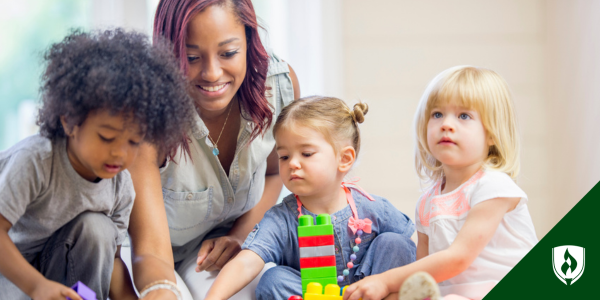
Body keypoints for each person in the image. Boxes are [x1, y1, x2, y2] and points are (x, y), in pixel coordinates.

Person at [123, 0, 301, 299]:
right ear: (167, 54)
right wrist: (162, 292)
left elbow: (274, 174)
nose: (212, 73)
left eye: (228, 53)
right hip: (144, 256)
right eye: (191, 57)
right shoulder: (143, 114)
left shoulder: (277, 87)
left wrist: (240, 236)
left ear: (248, 40)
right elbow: (151, 253)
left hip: (216, 249)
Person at [0, 29, 195, 300]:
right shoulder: (36, 160)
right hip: (11, 272)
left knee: (97, 228)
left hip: (58, 281)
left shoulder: (121, 185)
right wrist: (35, 286)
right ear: (69, 121)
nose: (119, 153)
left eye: (134, 142)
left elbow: (112, 262)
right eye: (106, 137)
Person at [342, 66, 538, 300]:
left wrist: (384, 280)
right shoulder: (427, 203)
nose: (446, 124)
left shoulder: (493, 187)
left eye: (464, 116)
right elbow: (422, 278)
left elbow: (457, 258)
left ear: (492, 133)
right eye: (437, 114)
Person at [203, 96, 417, 300]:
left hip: (372, 294)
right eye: (284, 156)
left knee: (397, 243)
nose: (292, 164)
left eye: (306, 154)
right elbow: (247, 262)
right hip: (312, 294)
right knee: (273, 280)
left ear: (344, 159)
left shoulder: (372, 208)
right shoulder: (281, 219)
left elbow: (415, 251)